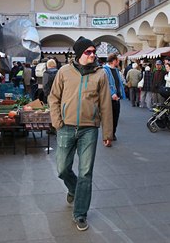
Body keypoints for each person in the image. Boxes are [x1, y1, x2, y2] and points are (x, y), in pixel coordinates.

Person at [48, 36, 113, 231]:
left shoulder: (100, 75)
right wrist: (57, 122)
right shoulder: (64, 72)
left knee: (86, 173)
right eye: (89, 52)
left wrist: (107, 133)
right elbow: (53, 98)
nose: (93, 55)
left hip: (89, 130)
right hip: (66, 127)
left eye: (94, 52)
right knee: (62, 169)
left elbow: (105, 105)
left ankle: (80, 213)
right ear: (79, 54)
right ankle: (74, 189)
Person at [103, 53, 126, 142]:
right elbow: (106, 84)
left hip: (117, 98)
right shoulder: (105, 70)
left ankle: (112, 133)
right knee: (108, 118)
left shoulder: (116, 70)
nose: (119, 61)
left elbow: (119, 82)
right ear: (114, 61)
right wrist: (112, 93)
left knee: (116, 116)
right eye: (118, 60)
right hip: (109, 98)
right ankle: (108, 135)